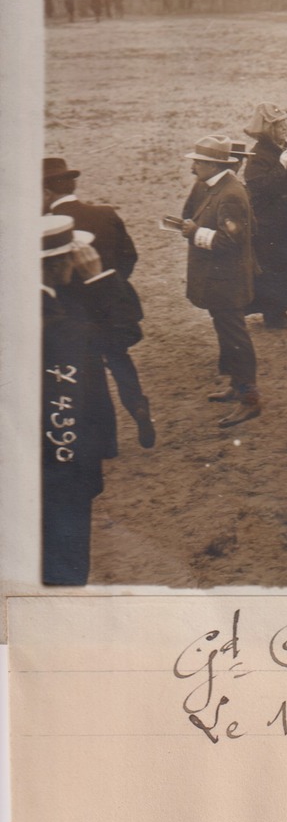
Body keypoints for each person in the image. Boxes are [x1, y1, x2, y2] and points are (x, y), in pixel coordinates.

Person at [43, 156, 154, 448]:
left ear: (46, 192)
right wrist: (112, 284)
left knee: (90, 374)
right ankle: (138, 405)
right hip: (111, 305)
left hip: (73, 315)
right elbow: (129, 256)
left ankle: (107, 441)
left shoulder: (45, 227)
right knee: (120, 359)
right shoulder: (104, 214)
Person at [40, 214, 125, 585]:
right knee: (65, 567)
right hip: (63, 468)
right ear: (59, 263)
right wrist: (97, 278)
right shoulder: (57, 324)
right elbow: (123, 331)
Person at [178, 136, 261, 427]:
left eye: (197, 163)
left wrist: (194, 232)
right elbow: (189, 212)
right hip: (214, 279)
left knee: (235, 337)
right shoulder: (208, 185)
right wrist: (191, 225)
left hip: (227, 281)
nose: (192, 169)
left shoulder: (231, 195)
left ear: (214, 165)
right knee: (225, 332)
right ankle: (235, 385)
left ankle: (250, 399)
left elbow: (230, 242)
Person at [241, 103, 287, 329]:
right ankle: (273, 316)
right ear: (268, 129)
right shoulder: (257, 155)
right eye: (279, 125)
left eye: (285, 124)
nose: (285, 128)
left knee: (284, 265)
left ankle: (280, 310)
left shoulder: (275, 149)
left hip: (280, 221)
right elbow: (260, 186)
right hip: (267, 223)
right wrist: (282, 167)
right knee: (273, 268)